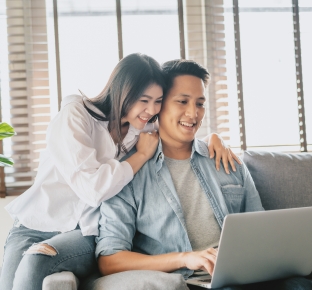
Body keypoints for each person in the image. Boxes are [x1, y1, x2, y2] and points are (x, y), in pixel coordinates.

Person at [0, 54, 237, 290]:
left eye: (157, 101)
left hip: (83, 231)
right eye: (144, 100)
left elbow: (179, 129)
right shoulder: (76, 116)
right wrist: (140, 156)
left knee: (35, 264)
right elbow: (93, 189)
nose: (151, 109)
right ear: (123, 92)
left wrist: (214, 139)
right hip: (36, 223)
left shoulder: (141, 124)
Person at [95, 59, 312, 290]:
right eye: (182, 101)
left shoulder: (227, 161)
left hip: (246, 276)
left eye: (200, 103)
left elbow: (261, 230)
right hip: (190, 280)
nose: (193, 113)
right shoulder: (129, 173)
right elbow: (109, 260)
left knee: (302, 287)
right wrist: (185, 258)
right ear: (159, 106)